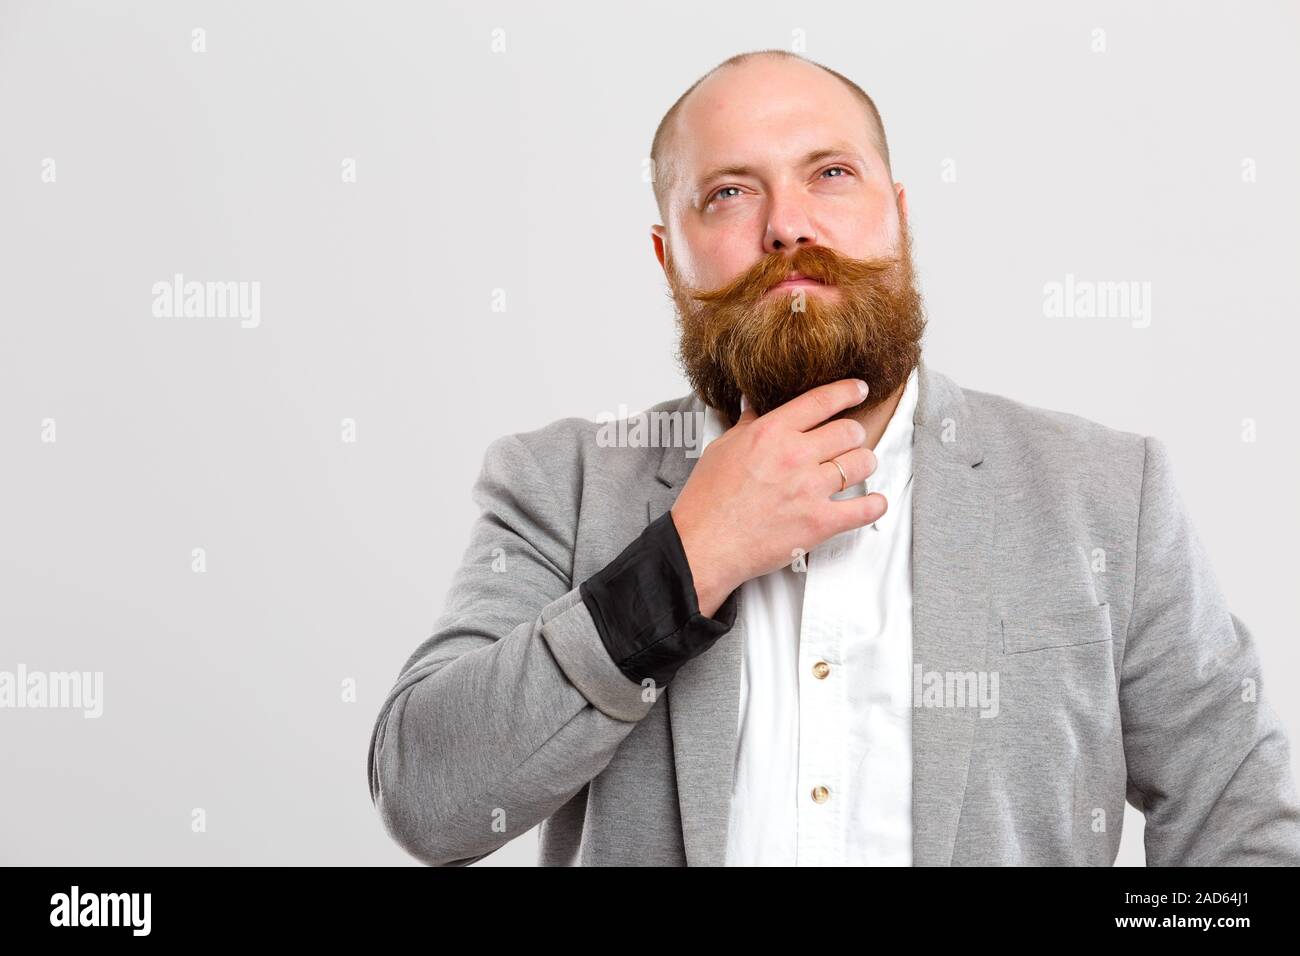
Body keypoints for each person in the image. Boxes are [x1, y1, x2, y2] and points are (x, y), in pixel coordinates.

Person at [368, 49, 1300, 866]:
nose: (788, 225)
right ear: (666, 257)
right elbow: (426, 801)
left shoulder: (1108, 494)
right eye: (729, 192)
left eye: (831, 174)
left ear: (898, 216)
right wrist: (688, 559)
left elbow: (1243, 833)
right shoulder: (559, 485)